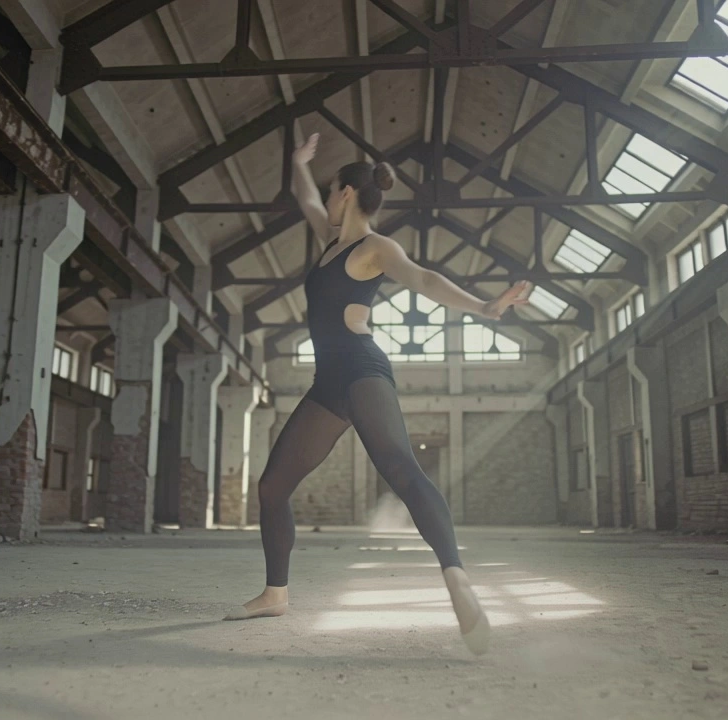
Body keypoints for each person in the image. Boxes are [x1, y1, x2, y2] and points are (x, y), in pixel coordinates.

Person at [224, 133, 530, 656]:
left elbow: (424, 279)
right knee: (273, 486)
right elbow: (305, 198)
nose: (324, 195)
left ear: (346, 193)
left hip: (364, 371)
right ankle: (276, 592)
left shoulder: (376, 248)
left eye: (330, 188)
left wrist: (484, 307)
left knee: (402, 468)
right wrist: (299, 163)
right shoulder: (330, 240)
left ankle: (455, 575)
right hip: (327, 385)